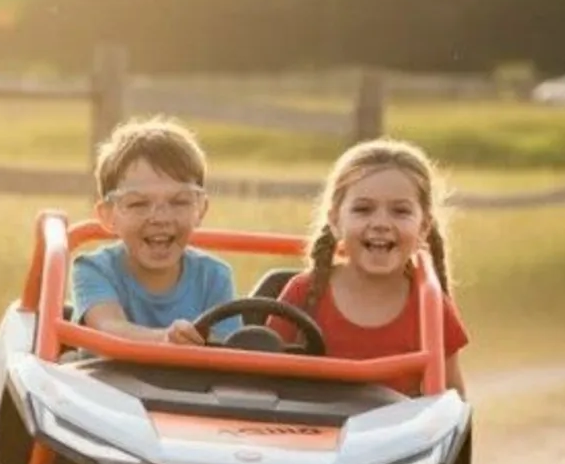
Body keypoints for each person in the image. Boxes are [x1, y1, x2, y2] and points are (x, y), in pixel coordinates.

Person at [266, 138, 468, 396]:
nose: (381, 222)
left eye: (400, 211)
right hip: (307, 432)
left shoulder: (430, 306)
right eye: (363, 209)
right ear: (335, 220)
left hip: (397, 435)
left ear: (424, 227)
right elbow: (263, 386)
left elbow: (452, 407)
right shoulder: (302, 293)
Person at [71, 117, 241, 345]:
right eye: (138, 204)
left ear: (200, 209)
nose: (160, 218)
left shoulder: (215, 276)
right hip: (99, 379)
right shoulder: (94, 269)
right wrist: (165, 340)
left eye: (179, 202)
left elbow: (229, 352)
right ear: (108, 215)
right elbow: (108, 327)